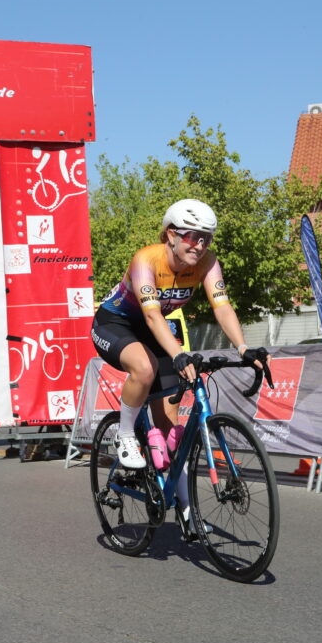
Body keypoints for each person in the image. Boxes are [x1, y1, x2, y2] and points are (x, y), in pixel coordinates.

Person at [91, 199, 263, 534]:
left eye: (206, 238)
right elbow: (152, 315)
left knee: (171, 434)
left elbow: (222, 307)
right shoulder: (146, 259)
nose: (199, 245)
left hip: (156, 329)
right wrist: (178, 353)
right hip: (115, 324)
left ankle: (187, 512)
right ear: (171, 234)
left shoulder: (208, 262)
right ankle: (124, 435)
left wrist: (243, 347)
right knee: (144, 368)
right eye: (192, 237)